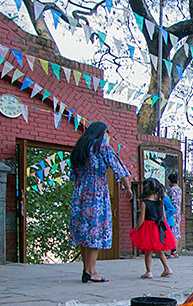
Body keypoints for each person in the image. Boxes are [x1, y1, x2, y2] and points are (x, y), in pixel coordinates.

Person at [68, 121, 132, 283]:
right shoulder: (102, 148)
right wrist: (127, 188)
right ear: (102, 132)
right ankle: (92, 270)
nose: (107, 136)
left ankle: (85, 269)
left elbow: (73, 176)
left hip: (80, 193)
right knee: (95, 230)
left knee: (84, 231)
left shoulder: (79, 150)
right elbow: (119, 169)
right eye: (106, 133)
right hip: (96, 193)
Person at [128, 178, 175, 278]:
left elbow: (141, 218)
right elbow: (164, 217)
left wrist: (137, 229)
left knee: (148, 251)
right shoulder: (160, 202)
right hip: (158, 226)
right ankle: (167, 268)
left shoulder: (144, 203)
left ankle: (148, 271)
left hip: (148, 228)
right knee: (159, 250)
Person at [167, 173, 183, 258]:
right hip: (177, 212)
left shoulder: (171, 190)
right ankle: (174, 250)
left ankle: (172, 250)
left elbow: (171, 201)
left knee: (171, 230)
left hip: (172, 211)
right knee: (176, 229)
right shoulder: (179, 189)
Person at [163, 188, 178, 258]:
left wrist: (164, 215)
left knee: (168, 236)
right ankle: (171, 251)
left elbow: (172, 209)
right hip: (168, 221)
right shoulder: (165, 198)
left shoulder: (165, 198)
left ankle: (171, 251)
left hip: (168, 221)